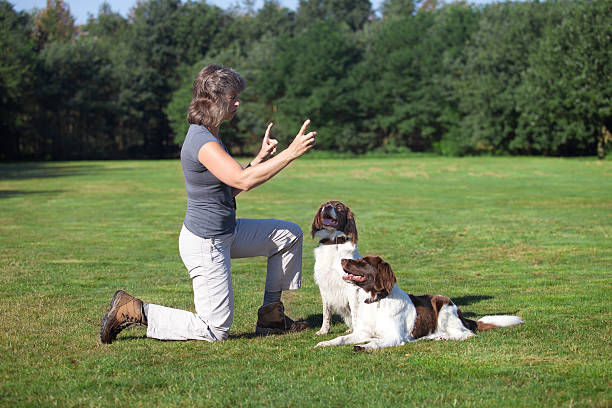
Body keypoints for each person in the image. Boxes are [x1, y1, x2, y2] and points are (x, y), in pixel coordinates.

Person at [100, 64, 317, 343]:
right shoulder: (202, 140)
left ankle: (272, 318)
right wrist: (290, 153)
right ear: (213, 99)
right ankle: (133, 310)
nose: (237, 102)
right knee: (215, 330)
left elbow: (229, 188)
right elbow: (243, 181)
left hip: (226, 233)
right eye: (232, 97)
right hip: (206, 243)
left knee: (288, 235)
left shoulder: (212, 132)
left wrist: (258, 159)